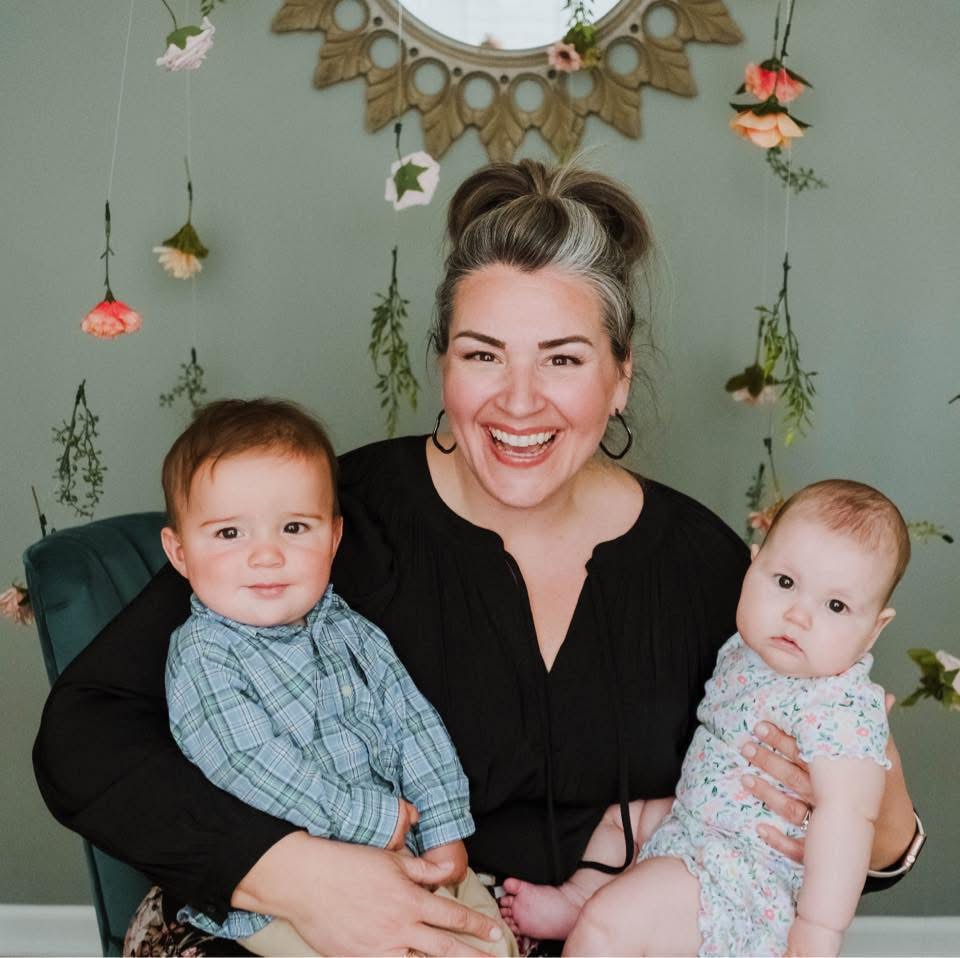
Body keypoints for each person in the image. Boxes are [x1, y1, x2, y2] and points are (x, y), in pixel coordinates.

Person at [33, 160, 921, 957]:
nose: (519, 401)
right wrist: (295, 875)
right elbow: (85, 734)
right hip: (295, 919)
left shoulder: (704, 567)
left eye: (563, 359)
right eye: (483, 354)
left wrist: (851, 786)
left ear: (619, 377)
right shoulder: (322, 523)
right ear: (443, 367)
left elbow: (876, 852)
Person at [158, 398, 515, 956]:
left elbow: (412, 722)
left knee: (491, 940)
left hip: (407, 850)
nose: (267, 555)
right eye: (230, 534)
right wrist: (369, 820)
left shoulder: (349, 628)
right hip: (294, 893)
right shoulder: (206, 654)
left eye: (294, 527)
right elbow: (251, 763)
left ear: (333, 537)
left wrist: (444, 825)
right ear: (180, 552)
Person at [501, 480, 909, 957]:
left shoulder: (843, 706)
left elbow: (848, 818)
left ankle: (596, 919)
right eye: (784, 583)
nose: (798, 615)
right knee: (623, 819)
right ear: (752, 566)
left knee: (613, 924)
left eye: (836, 605)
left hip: (745, 875)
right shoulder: (746, 650)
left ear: (874, 629)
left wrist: (818, 929)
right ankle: (579, 897)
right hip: (690, 823)